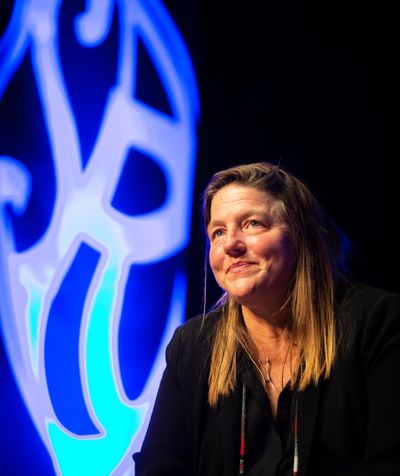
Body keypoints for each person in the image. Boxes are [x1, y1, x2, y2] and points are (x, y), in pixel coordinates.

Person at [133, 162, 400, 475]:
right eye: (218, 232)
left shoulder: (378, 322)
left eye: (252, 224)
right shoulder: (192, 346)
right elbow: (160, 467)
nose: (231, 244)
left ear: (301, 236)